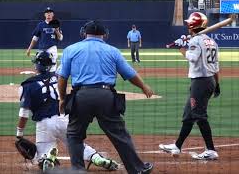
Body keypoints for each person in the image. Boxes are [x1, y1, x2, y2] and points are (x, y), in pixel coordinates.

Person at [57, 21, 154, 174]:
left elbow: (62, 77)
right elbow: (130, 74)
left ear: (84, 33)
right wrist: (143, 86)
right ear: (104, 34)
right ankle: (137, 169)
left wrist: (62, 98)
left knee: (74, 135)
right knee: (120, 135)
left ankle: (77, 171)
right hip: (106, 96)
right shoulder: (112, 51)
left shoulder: (71, 49)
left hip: (81, 96)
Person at [15, 51, 119, 172]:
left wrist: (19, 133)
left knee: (40, 158)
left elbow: (24, 114)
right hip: (65, 119)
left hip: (44, 124)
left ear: (36, 66)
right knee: (76, 145)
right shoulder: (58, 77)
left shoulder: (27, 85)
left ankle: (48, 159)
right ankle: (96, 157)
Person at [159, 12, 220, 160]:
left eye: (188, 23)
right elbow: (216, 67)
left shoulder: (195, 41)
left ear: (192, 25)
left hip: (200, 82)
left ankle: (211, 150)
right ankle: (177, 146)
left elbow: (192, 58)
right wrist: (217, 84)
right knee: (189, 115)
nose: (187, 26)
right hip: (209, 80)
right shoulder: (211, 42)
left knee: (199, 116)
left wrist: (181, 49)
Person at [25, 7, 63, 72]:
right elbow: (35, 38)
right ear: (44, 15)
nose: (49, 14)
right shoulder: (40, 25)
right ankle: (41, 81)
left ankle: (52, 81)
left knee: (52, 67)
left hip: (52, 48)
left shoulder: (56, 24)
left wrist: (57, 31)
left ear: (53, 15)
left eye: (50, 13)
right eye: (47, 13)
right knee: (39, 67)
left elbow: (60, 38)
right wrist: (29, 49)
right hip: (41, 49)